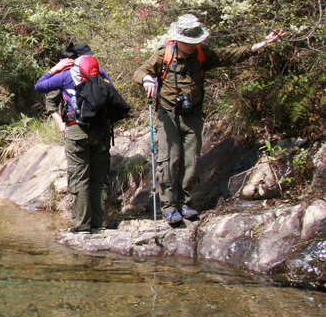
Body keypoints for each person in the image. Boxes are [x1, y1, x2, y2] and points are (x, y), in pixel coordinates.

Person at [133, 14, 287, 225]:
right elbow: (141, 70)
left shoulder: (202, 54)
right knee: (169, 161)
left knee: (191, 161)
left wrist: (258, 46)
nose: (192, 45)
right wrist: (147, 79)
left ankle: (184, 203)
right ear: (178, 39)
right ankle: (168, 207)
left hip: (193, 115)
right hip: (168, 116)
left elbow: (229, 55)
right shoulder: (164, 55)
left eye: (195, 41)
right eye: (188, 42)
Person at [35, 43, 121, 234]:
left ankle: (83, 225)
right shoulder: (99, 72)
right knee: (99, 178)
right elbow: (112, 94)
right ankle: (101, 222)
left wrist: (54, 70)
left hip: (76, 132)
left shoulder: (65, 75)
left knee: (79, 178)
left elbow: (39, 86)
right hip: (100, 132)